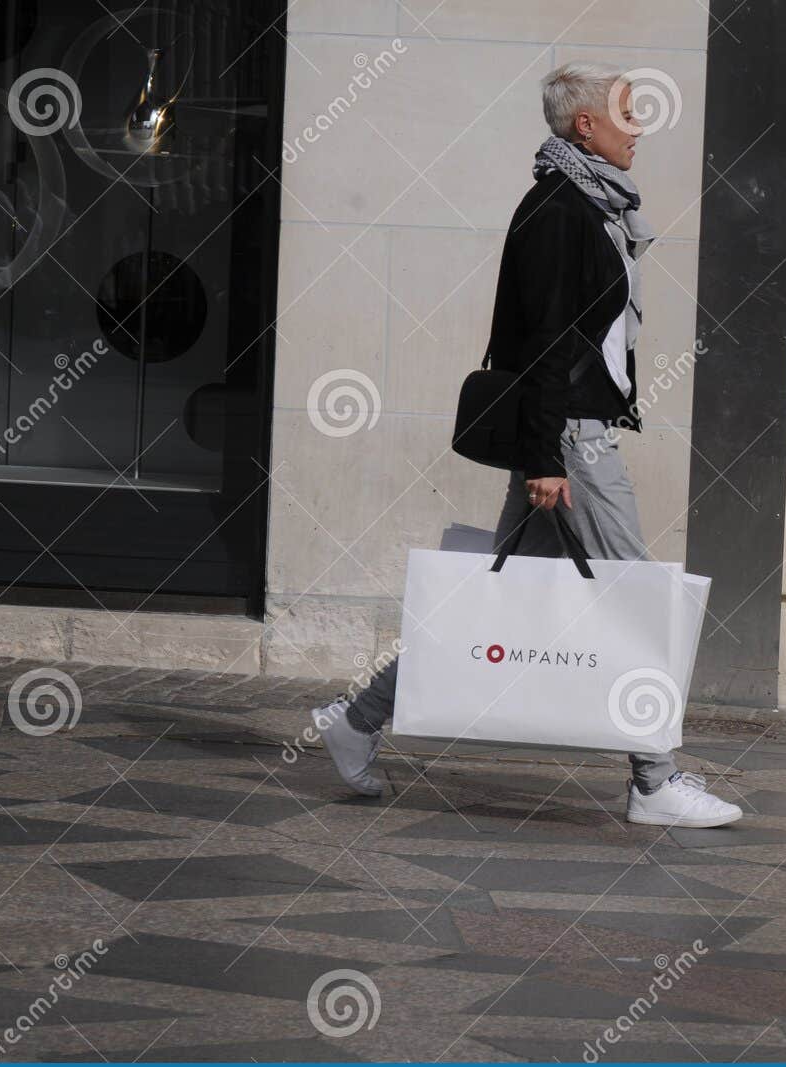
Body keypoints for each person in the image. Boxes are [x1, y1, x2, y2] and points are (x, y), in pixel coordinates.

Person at [310, 63, 741, 830]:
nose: (639, 127)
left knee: (488, 603)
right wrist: (545, 459)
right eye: (628, 115)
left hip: (568, 435)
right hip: (570, 442)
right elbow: (543, 343)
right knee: (639, 601)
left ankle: (357, 719)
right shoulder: (560, 211)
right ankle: (654, 781)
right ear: (586, 126)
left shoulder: (588, 204)